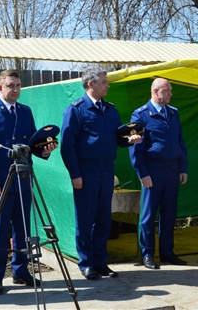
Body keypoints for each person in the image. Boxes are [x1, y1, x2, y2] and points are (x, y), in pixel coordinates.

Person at [0, 70, 57, 295]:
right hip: (0, 181)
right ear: (0, 88)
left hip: (22, 178)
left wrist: (45, 151)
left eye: (18, 85)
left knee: (23, 228)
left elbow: (32, 144)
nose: (15, 90)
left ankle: (21, 270)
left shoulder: (25, 111)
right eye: (11, 85)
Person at [60, 67, 142, 280]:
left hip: (107, 171)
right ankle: (86, 263)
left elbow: (117, 138)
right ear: (91, 84)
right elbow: (67, 146)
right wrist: (75, 174)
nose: (108, 85)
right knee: (86, 219)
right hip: (86, 172)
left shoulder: (110, 109)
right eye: (104, 82)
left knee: (104, 220)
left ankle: (100, 262)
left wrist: (128, 141)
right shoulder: (76, 109)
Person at [129, 78, 189, 270]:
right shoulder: (140, 115)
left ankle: (167, 252)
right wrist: (142, 173)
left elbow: (181, 142)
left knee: (169, 213)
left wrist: (183, 168)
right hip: (152, 170)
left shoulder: (173, 113)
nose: (171, 94)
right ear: (156, 92)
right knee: (148, 215)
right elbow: (135, 149)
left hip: (172, 168)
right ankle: (147, 254)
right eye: (168, 91)